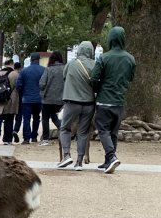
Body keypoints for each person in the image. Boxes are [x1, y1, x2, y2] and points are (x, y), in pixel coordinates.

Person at [90, 26, 135, 174]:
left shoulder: (104, 57)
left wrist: (97, 88)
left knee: (103, 130)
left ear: (110, 39)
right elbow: (131, 78)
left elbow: (94, 78)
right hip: (119, 101)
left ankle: (111, 156)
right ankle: (108, 161)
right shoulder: (130, 59)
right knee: (113, 132)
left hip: (104, 100)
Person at [56, 40, 97, 170]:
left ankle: (67, 155)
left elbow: (64, 77)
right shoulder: (95, 65)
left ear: (79, 50)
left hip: (72, 102)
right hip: (89, 104)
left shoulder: (71, 64)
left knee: (65, 128)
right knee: (83, 132)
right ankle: (79, 162)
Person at [16, 52, 45, 145]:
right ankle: (34, 136)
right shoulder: (44, 70)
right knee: (36, 118)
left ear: (31, 59)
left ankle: (26, 138)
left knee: (26, 119)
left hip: (27, 99)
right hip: (39, 99)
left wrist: (22, 94)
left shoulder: (24, 71)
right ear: (38, 60)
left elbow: (18, 86)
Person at [41, 51, 66, 150]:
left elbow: (42, 83)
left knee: (45, 118)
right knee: (56, 117)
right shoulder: (65, 69)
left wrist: (42, 90)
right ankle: (64, 132)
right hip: (61, 98)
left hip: (48, 99)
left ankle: (45, 139)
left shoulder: (48, 69)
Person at [0, 61, 20, 144]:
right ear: (12, 64)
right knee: (9, 119)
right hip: (10, 99)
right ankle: (7, 139)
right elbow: (18, 87)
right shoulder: (14, 74)